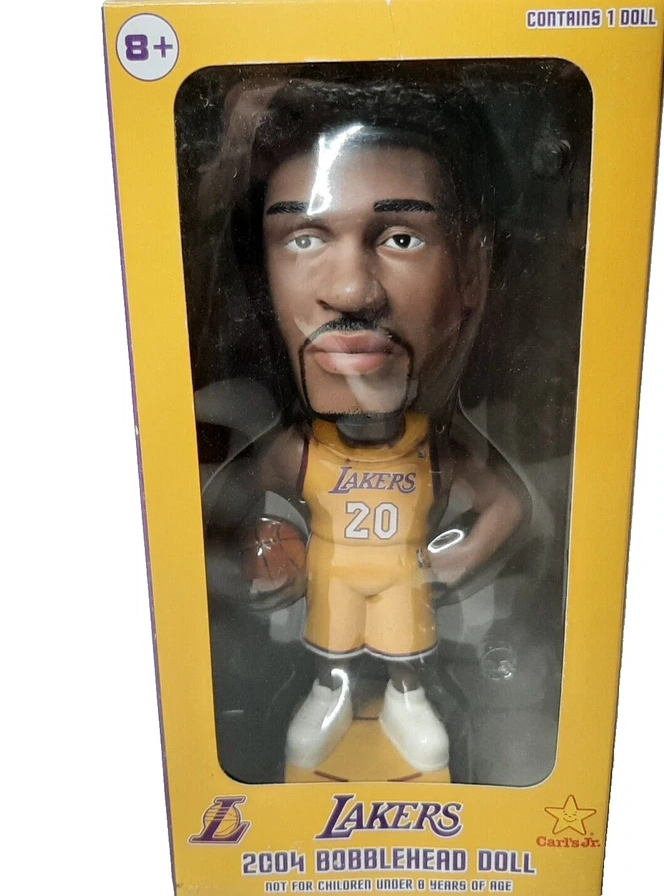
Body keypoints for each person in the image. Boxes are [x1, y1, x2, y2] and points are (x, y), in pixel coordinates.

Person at [225, 81, 527, 773]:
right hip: (332, 584)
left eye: (400, 237)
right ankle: (328, 692)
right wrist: (254, 557)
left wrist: (456, 562)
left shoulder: (431, 445)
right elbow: (230, 505)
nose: (351, 291)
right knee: (329, 664)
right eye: (304, 238)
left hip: (400, 583)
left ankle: (406, 699)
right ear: (260, 276)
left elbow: (507, 505)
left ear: (473, 270)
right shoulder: (301, 451)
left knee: (407, 669)